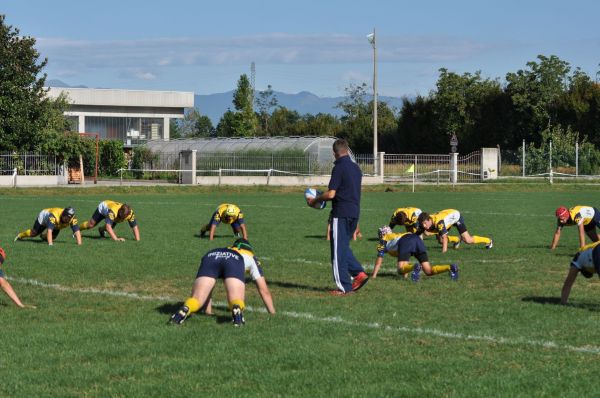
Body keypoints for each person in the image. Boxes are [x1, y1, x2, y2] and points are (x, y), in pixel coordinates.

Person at [307, 138, 368, 295]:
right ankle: (359, 274)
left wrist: (316, 199)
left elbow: (332, 194)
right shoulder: (356, 168)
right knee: (343, 248)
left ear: (334, 153)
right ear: (347, 150)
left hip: (341, 213)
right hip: (354, 213)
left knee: (337, 253)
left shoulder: (339, 168)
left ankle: (344, 288)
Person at [169, 238, 275, 326]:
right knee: (236, 299)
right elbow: (264, 290)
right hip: (234, 260)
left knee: (197, 298)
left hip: (211, 255)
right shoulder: (251, 257)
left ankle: (187, 307)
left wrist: (208, 312)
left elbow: (210, 287)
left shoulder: (227, 249)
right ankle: (236, 308)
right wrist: (272, 313)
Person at [371, 226, 458, 281]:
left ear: (382, 235)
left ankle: (414, 267)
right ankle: (450, 267)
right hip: (416, 239)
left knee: (400, 270)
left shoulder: (383, 241)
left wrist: (374, 276)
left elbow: (379, 260)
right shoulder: (395, 236)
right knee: (428, 271)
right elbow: (405, 258)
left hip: (405, 241)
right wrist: (405, 277)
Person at [417, 209, 492, 253]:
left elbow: (445, 238)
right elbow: (417, 234)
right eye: (422, 224)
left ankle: (488, 241)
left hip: (456, 217)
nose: (424, 226)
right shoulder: (427, 221)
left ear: (429, 220)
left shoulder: (439, 223)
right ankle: (457, 240)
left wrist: (444, 253)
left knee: (467, 240)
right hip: (448, 219)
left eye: (425, 223)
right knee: (440, 240)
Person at [15, 207, 82, 246]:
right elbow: (49, 230)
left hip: (57, 223)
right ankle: (20, 235)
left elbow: (77, 231)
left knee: (53, 237)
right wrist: (50, 245)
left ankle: (42, 236)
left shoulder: (73, 219)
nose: (67, 220)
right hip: (44, 217)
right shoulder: (54, 215)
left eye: (69, 218)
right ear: (63, 214)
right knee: (34, 233)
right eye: (66, 218)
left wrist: (79, 244)